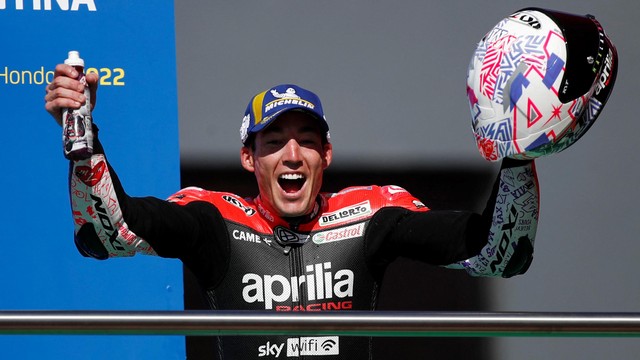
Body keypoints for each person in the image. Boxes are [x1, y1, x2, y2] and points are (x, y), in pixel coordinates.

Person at [44, 7, 616, 360]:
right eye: (274, 142)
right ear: (250, 159)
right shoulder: (213, 218)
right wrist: (82, 139)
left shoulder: (372, 214)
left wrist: (518, 154)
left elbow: (498, 254)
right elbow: (111, 231)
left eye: (307, 140)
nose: (291, 154)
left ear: (327, 154)